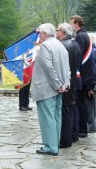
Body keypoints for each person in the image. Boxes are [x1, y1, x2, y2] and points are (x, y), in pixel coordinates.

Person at [32, 23, 70, 156]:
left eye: (40, 34)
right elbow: (67, 67)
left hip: (47, 88)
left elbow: (48, 67)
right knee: (56, 117)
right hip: (59, 88)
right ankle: (54, 144)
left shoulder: (46, 46)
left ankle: (50, 147)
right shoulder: (61, 45)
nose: (39, 36)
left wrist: (57, 84)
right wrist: (65, 84)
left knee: (47, 117)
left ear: (45, 34)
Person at [70, 15, 96, 139]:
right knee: (82, 103)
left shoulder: (80, 37)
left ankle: (82, 129)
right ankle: (82, 128)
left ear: (76, 25)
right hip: (87, 76)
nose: (70, 26)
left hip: (83, 76)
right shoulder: (84, 35)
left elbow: (78, 56)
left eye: (71, 24)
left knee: (80, 104)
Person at [56, 23, 81, 148]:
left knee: (65, 110)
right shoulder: (75, 43)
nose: (56, 32)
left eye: (57, 30)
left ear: (62, 32)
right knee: (71, 110)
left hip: (66, 82)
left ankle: (66, 139)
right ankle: (72, 135)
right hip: (72, 82)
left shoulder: (64, 45)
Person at [87, 33, 96, 132]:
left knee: (90, 107)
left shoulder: (92, 52)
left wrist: (93, 86)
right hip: (93, 82)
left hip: (92, 83)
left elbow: (94, 70)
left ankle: (91, 127)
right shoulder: (94, 51)